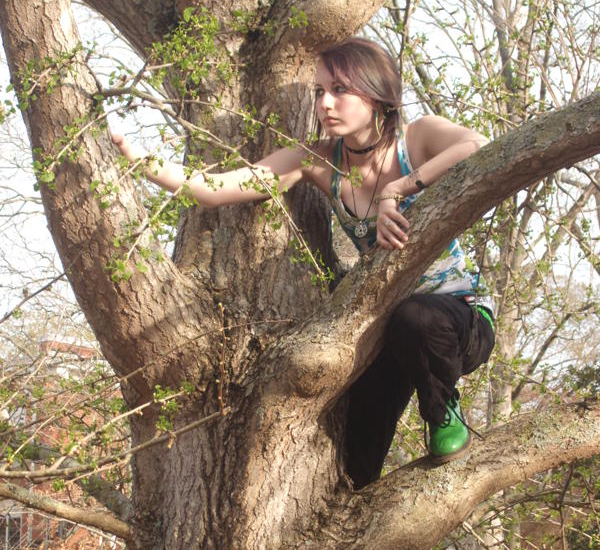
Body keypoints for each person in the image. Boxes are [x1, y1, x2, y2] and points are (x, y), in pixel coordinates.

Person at [112, 36, 494, 488]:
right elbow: (210, 188)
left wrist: (399, 190)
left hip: (460, 322)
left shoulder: (419, 137)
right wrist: (132, 154)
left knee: (416, 318)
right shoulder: (316, 161)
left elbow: (476, 145)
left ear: (376, 97)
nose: (325, 103)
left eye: (339, 90)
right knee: (354, 463)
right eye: (319, 92)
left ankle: (443, 410)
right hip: (394, 335)